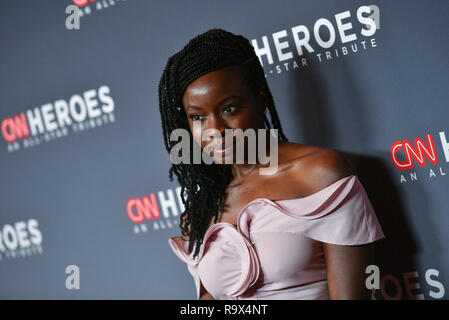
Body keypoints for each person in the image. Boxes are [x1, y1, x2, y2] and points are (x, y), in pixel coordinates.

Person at [158, 28, 385, 300]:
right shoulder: (200, 211)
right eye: (198, 117)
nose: (215, 130)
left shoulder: (319, 172)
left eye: (229, 108)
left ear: (260, 101)